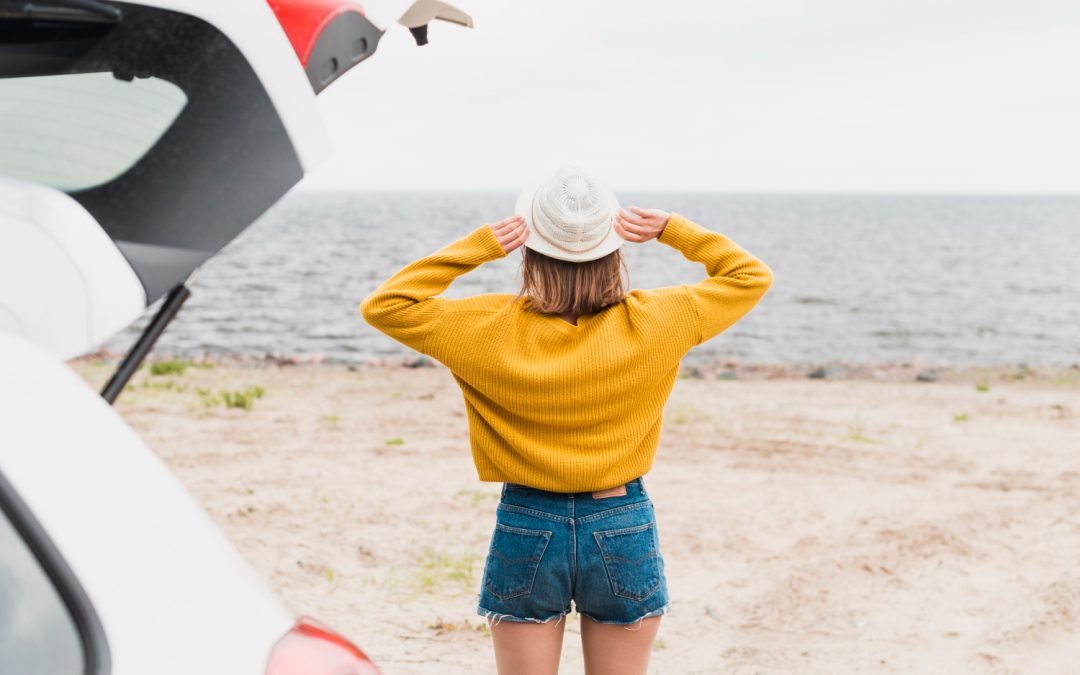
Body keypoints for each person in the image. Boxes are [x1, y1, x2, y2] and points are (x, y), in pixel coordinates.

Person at [360, 166, 773, 675]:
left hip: (527, 519)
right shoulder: (661, 319)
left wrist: (480, 246)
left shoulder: (485, 327)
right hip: (621, 518)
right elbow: (749, 276)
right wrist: (672, 230)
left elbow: (386, 305)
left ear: (528, 251)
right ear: (615, 251)